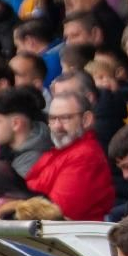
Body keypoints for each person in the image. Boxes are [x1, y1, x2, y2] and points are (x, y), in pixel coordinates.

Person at [22, 91, 113, 221]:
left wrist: (10, 207)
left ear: (86, 120)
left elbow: (57, 212)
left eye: (65, 118)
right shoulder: (58, 153)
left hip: (69, 237)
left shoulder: (85, 156)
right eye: (53, 119)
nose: (57, 126)